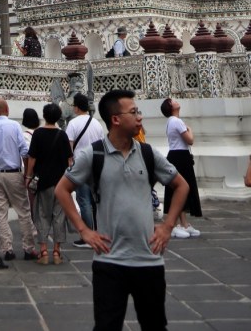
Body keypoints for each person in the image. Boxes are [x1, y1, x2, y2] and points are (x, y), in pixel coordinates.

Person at [55, 88, 189, 331]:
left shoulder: (148, 153)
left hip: (148, 260)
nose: (140, 117)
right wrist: (84, 231)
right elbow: (62, 190)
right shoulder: (93, 154)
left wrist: (168, 226)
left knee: (155, 325)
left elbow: (181, 185)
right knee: (107, 326)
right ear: (115, 119)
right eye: (134, 112)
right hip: (109, 260)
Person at [0, 97, 38, 261]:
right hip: (14, 173)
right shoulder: (14, 126)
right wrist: (27, 174)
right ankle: (28, 248)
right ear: (7, 108)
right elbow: (25, 153)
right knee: (24, 211)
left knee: (1, 212)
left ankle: (7, 249)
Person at [26, 103, 71, 264]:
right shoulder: (63, 135)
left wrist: (28, 176)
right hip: (61, 183)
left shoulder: (38, 134)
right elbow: (69, 160)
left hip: (43, 181)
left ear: (44, 116)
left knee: (42, 215)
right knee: (59, 216)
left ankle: (44, 251)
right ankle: (57, 252)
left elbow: (32, 158)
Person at [160, 98, 202, 237]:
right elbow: (190, 140)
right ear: (170, 107)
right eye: (173, 101)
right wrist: (190, 130)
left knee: (181, 189)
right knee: (182, 188)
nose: (176, 101)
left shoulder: (171, 121)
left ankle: (183, 224)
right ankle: (174, 224)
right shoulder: (176, 121)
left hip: (178, 155)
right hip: (180, 156)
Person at [66, 91, 104, 244]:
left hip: (80, 164)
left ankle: (88, 235)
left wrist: (69, 162)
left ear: (76, 108)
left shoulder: (73, 123)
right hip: (96, 164)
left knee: (84, 200)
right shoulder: (96, 123)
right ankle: (99, 232)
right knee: (96, 200)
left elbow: (69, 146)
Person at [21, 107, 40, 221]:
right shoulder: (42, 132)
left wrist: (27, 175)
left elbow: (27, 156)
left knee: (32, 198)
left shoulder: (25, 136)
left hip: (33, 172)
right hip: (45, 170)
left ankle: (35, 222)